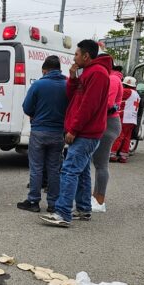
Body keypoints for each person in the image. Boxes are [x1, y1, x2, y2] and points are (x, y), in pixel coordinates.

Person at [39, 40, 112, 228]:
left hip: (87, 132)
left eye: (77, 54)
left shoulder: (97, 73)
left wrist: (74, 129)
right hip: (86, 131)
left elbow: (88, 106)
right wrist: (72, 78)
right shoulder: (88, 72)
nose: (74, 58)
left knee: (69, 170)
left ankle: (63, 213)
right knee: (82, 171)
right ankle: (84, 208)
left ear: (86, 56)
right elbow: (73, 97)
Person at [17, 55, 68, 213]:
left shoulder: (39, 84)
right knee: (54, 169)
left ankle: (33, 201)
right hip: (59, 132)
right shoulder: (67, 85)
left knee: (36, 168)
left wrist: (37, 113)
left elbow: (27, 107)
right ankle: (53, 204)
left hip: (39, 131)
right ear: (59, 69)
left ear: (44, 70)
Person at [90, 63, 123, 213]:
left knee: (101, 164)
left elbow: (108, 103)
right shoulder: (115, 78)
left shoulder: (113, 80)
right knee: (98, 164)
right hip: (109, 122)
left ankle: (99, 200)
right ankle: (95, 197)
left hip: (108, 123)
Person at [111, 76, 140, 163]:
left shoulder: (126, 91)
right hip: (132, 119)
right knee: (127, 137)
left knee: (119, 136)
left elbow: (116, 94)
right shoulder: (137, 94)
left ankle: (112, 154)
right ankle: (123, 156)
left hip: (124, 117)